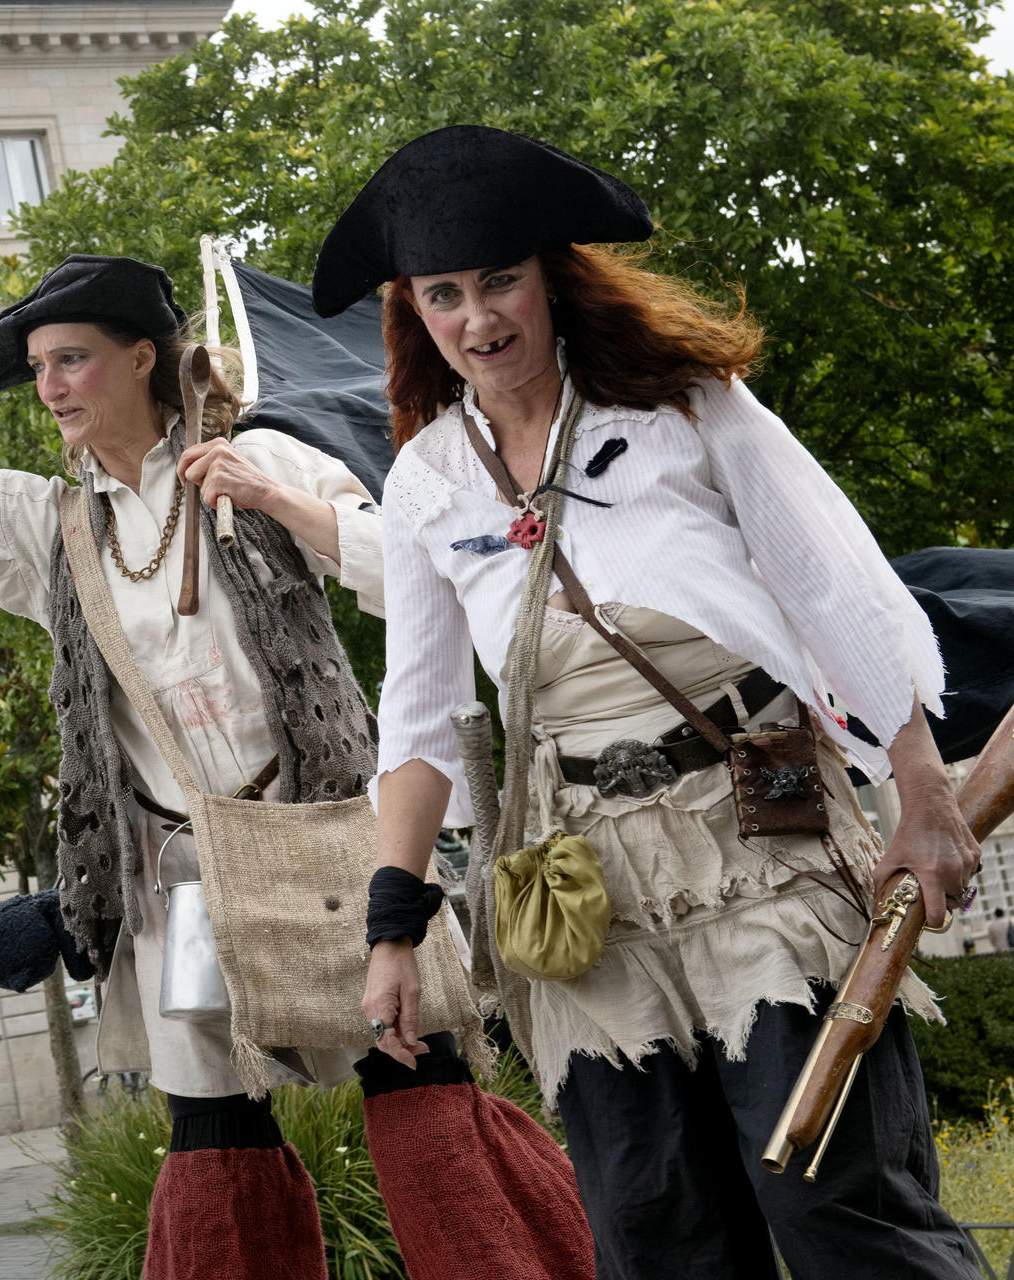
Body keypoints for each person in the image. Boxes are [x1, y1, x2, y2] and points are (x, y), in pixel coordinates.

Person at [0, 239, 594, 1278]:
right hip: (185, 888)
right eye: (37, 368)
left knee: (428, 1110)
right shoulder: (48, 525)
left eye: (69, 359)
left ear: (140, 359)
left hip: (336, 853)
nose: (48, 387)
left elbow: (422, 583)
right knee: (216, 1148)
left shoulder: (269, 456)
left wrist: (277, 502)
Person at [327, 125, 982, 1278]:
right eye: (445, 295)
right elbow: (420, 722)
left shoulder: (683, 402)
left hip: (755, 833)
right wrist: (393, 930)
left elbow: (835, 583)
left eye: (500, 282)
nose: (479, 320)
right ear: (413, 311)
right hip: (584, 885)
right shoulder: (424, 478)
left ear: (549, 279)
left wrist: (922, 784)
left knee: (836, 1206)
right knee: (655, 1232)